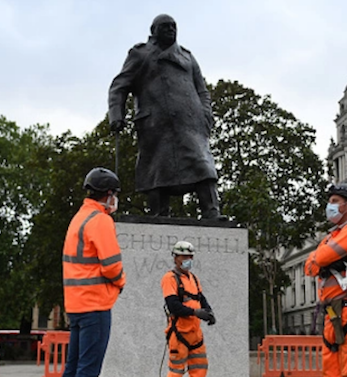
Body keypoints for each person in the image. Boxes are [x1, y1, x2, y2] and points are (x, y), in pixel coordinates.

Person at [108, 14, 225, 220]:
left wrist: (205, 115)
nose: (171, 30)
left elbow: (202, 90)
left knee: (203, 165)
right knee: (157, 170)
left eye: (173, 26)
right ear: (154, 31)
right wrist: (117, 114)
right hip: (155, 125)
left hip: (191, 124)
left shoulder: (188, 57)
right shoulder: (140, 55)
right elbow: (119, 86)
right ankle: (158, 214)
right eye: (165, 27)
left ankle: (212, 212)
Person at [305, 181, 347, 377]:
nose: (330, 206)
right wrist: (321, 257)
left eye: (335, 201)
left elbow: (319, 258)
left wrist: (322, 257)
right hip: (333, 312)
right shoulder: (334, 235)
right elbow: (309, 268)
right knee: (331, 370)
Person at [62, 167, 126, 377]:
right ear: (108, 194)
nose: (115, 199)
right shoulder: (100, 220)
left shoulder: (79, 218)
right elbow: (112, 266)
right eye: (115, 194)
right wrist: (121, 282)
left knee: (73, 368)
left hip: (76, 305)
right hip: (95, 305)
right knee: (89, 369)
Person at [161, 241, 216, 376]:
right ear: (175, 258)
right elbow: (173, 306)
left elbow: (201, 298)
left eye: (190, 257)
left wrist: (209, 312)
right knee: (176, 372)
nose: (188, 260)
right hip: (179, 333)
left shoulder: (193, 278)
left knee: (200, 369)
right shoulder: (170, 278)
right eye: (184, 257)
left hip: (196, 335)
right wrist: (195, 312)